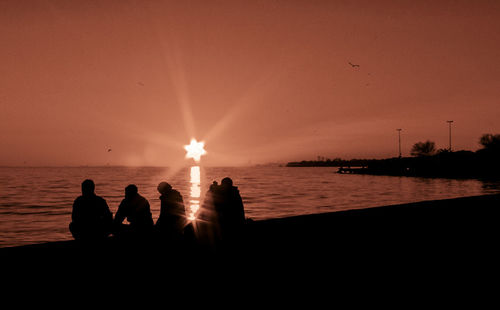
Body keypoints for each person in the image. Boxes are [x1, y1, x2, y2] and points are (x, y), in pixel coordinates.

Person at [212, 177, 246, 248]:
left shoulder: (233, 195)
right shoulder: (233, 193)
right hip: (228, 224)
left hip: (230, 224)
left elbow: (239, 210)